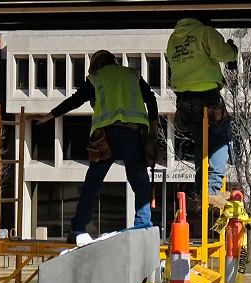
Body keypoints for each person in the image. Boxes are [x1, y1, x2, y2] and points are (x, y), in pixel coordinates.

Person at [28, 50, 159, 241]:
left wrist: (48, 116)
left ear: (97, 65)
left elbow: (75, 100)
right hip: (132, 132)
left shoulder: (96, 78)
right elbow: (151, 99)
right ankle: (142, 226)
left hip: (104, 137)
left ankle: (78, 228)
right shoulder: (132, 75)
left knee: (92, 183)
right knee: (139, 181)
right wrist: (153, 129)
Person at [166, 18, 239, 208]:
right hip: (207, 97)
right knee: (221, 140)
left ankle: (203, 190)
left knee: (201, 146)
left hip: (184, 100)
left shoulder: (174, 39)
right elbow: (223, 53)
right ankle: (212, 190)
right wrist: (233, 51)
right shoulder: (205, 32)